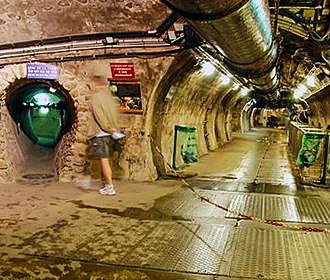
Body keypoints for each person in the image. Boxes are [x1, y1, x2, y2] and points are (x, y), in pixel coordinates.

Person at [87, 67, 121, 196]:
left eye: (92, 84)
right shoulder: (110, 98)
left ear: (96, 84)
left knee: (104, 160)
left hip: (101, 134)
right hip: (111, 135)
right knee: (107, 160)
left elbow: (99, 116)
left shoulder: (96, 98)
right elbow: (116, 115)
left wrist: (108, 128)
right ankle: (106, 184)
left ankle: (109, 186)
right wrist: (115, 129)